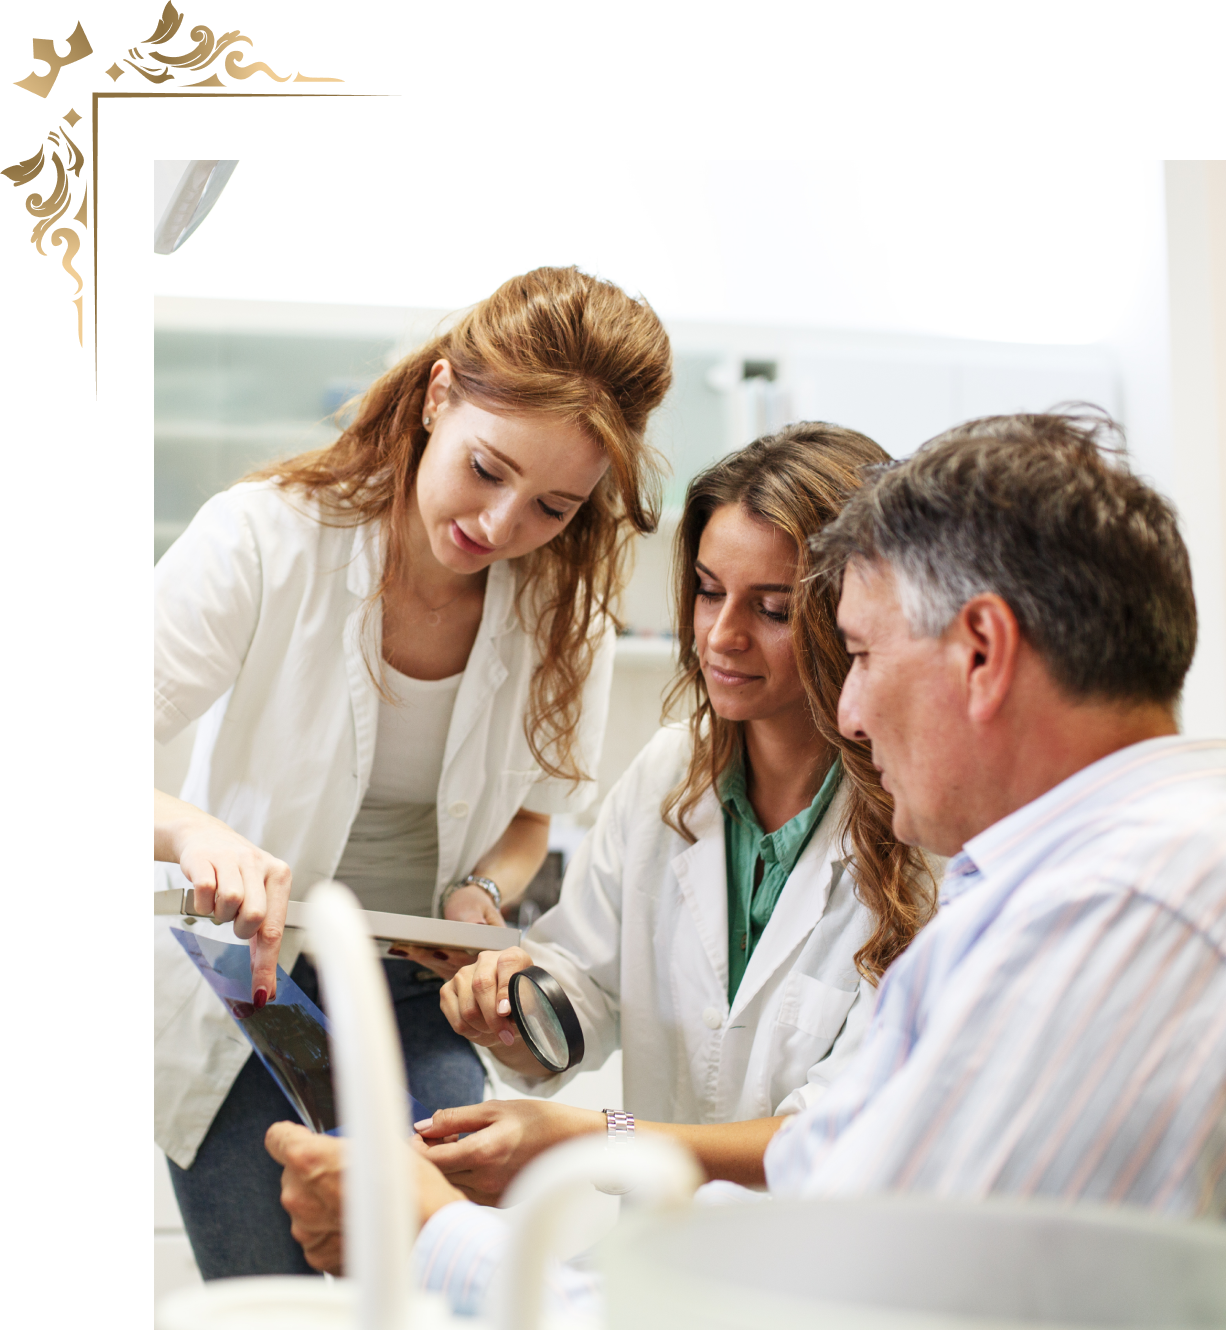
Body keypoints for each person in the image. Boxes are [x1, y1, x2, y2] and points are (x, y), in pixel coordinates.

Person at [267, 409, 1224, 1316]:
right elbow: (847, 1190)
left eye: (858, 652)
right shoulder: (1086, 871)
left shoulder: (1105, 915)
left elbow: (828, 1301)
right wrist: (525, 1009)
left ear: (981, 652)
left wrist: (428, 1230)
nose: (848, 711)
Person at [153, 267, 672, 1279]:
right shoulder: (263, 537)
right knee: (275, 1287)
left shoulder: (565, 609)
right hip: (244, 977)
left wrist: (484, 893)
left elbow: (532, 820)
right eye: (485, 468)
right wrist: (194, 833)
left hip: (410, 983)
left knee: (439, 1270)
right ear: (439, 395)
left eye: (552, 507)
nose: (501, 524)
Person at [407, 423, 938, 1199]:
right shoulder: (671, 771)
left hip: (827, 1273)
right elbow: (584, 987)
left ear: (849, 614)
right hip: (668, 1252)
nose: (721, 636)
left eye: (774, 610)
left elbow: (843, 1131)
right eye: (709, 590)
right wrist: (516, 1014)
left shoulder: (922, 826)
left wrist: (596, 1138)